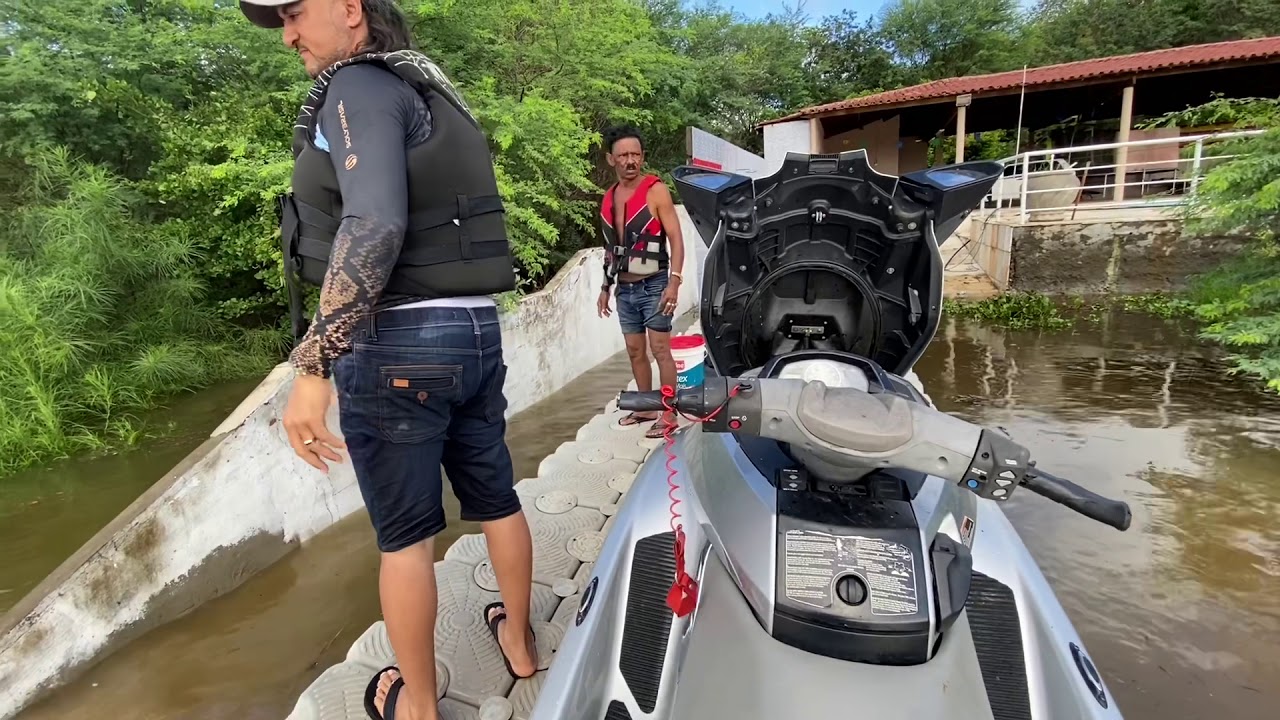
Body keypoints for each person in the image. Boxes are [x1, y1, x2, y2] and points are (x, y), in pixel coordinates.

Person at [238, 2, 536, 719]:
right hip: (474, 329)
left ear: (350, 10)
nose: (288, 34)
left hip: (398, 340)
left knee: (405, 540)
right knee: (496, 496)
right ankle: (521, 645)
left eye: (294, 13)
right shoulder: (427, 88)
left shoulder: (359, 84)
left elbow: (372, 223)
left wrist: (313, 364)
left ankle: (419, 705)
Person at [595, 125, 686, 439]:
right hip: (625, 288)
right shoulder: (609, 198)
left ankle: (669, 413)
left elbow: (676, 238)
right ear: (611, 159)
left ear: (642, 157)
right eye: (623, 155)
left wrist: (674, 282)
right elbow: (611, 248)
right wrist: (605, 288)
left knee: (661, 349)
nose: (630, 160)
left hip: (655, 284)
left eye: (635, 154)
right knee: (635, 351)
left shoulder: (655, 191)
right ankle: (646, 407)